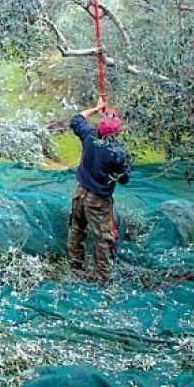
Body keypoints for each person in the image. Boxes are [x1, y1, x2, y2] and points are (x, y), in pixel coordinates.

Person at [67, 100, 131, 283]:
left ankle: (74, 267)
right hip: (98, 200)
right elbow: (124, 179)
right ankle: (103, 277)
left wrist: (96, 108)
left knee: (76, 229)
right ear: (117, 131)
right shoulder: (118, 152)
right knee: (103, 238)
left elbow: (76, 118)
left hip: (80, 193)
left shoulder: (89, 135)